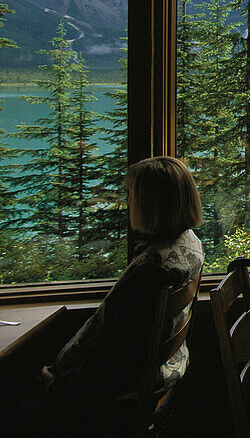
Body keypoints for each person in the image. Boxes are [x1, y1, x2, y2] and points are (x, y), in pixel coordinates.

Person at [14, 156, 205, 435]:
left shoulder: (150, 273)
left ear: (150, 203)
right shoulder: (188, 245)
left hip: (104, 401)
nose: (127, 202)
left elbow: (116, 362)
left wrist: (57, 385)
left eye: (131, 195)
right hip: (160, 377)